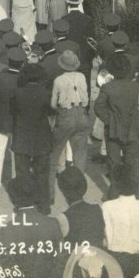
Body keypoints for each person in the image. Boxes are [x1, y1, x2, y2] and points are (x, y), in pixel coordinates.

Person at [0, 172, 64, 278]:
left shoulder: (7, 229)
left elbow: (7, 266)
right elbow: (61, 259)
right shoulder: (53, 223)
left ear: (12, 199)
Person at [94, 54, 139, 194]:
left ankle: (114, 193)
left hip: (113, 129)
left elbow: (98, 108)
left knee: (113, 162)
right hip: (132, 128)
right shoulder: (136, 87)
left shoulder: (107, 87)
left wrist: (109, 120)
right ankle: (136, 194)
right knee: (133, 162)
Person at [11, 62, 53, 213]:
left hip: (22, 136)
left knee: (22, 171)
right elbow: (50, 112)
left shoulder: (17, 93)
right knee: (42, 172)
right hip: (41, 136)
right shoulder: (46, 93)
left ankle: (23, 202)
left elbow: (12, 111)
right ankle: (44, 204)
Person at [48, 50, 89, 200]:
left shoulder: (58, 80)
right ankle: (78, 193)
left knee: (52, 156)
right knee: (80, 156)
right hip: (82, 114)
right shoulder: (82, 76)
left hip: (66, 115)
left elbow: (53, 104)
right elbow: (86, 98)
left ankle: (50, 195)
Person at [0, 46, 26, 195]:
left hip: (2, 118)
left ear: (9, 61)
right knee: (18, 153)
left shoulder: (1, 77)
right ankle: (17, 183)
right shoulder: (23, 79)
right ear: (22, 63)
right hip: (19, 120)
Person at [101, 163, 139, 278]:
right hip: (137, 261)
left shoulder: (107, 206)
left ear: (116, 185)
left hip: (113, 260)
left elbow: (105, 236)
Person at [56, 166, 105, 247]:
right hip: (98, 256)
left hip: (78, 257)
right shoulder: (98, 209)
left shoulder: (63, 217)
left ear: (63, 191)